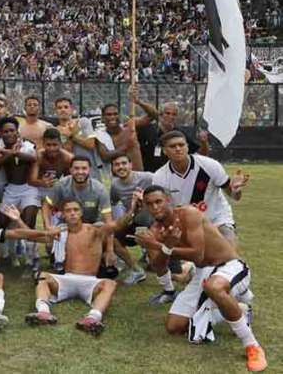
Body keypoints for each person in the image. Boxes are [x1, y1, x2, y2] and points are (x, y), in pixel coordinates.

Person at [135, 186, 266, 372]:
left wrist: (161, 245)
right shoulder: (154, 231)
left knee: (214, 287)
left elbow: (198, 254)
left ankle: (252, 345)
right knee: (174, 326)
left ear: (168, 201)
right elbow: (159, 266)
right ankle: (240, 310)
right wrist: (163, 247)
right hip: (203, 272)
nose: (155, 207)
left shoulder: (189, 214)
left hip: (229, 265)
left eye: (158, 201)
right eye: (149, 204)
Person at [24, 200, 119, 336]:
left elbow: (116, 226)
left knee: (110, 284)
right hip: (66, 279)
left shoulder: (95, 231)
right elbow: (32, 236)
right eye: (68, 211)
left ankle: (92, 318)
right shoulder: (60, 232)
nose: (73, 213)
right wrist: (17, 219)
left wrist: (131, 211)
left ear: (81, 213)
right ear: (63, 215)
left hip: (90, 281)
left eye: (76, 210)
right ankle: (43, 312)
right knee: (42, 275)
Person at [151, 131, 248, 244]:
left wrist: (236, 190)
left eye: (181, 145)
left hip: (217, 219)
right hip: (185, 224)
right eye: (172, 146)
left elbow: (235, 196)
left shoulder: (210, 165)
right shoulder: (160, 177)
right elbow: (164, 210)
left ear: (187, 147)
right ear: (164, 151)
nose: (178, 149)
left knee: (229, 253)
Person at [42, 156, 115, 274]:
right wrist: (48, 227)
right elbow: (46, 205)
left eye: (84, 168)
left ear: (89, 169)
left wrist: (110, 249)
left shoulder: (99, 189)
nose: (80, 172)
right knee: (51, 238)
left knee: (102, 227)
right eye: (76, 168)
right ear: (70, 170)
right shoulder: (61, 185)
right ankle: (59, 260)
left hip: (91, 225)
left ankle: (100, 261)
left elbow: (109, 221)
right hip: (68, 224)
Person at [0, 116, 39, 270]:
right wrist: (9, 153)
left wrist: (13, 153)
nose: (9, 134)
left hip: (28, 188)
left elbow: (33, 158)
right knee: (2, 222)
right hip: (10, 189)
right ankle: (7, 255)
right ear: (0, 134)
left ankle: (32, 259)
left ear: (17, 132)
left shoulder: (27, 145)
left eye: (12, 130)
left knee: (29, 218)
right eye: (5, 131)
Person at [108, 154, 150, 285]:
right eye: (117, 164)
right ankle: (137, 270)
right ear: (113, 168)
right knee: (114, 239)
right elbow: (113, 203)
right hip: (137, 223)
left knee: (160, 263)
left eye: (124, 163)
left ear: (131, 165)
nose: (121, 167)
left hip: (157, 223)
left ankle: (186, 266)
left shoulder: (148, 178)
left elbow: (168, 191)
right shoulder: (115, 185)